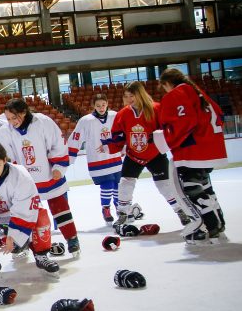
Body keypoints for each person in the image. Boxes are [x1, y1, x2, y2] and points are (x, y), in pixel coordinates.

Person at [102, 81, 200, 237]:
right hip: (133, 155)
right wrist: (111, 145)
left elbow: (169, 129)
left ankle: (181, 211)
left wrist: (164, 140)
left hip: (155, 155)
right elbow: (118, 135)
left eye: (132, 96)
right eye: (126, 96)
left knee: (165, 186)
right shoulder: (123, 113)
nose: (129, 99)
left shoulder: (156, 108)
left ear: (140, 94)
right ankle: (123, 214)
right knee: (125, 184)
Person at [0, 98, 81, 257]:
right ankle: (22, 242)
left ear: (24, 112)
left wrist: (59, 166)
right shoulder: (5, 131)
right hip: (24, 181)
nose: (12, 122)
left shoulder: (43, 122)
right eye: (8, 118)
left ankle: (72, 238)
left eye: (14, 117)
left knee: (59, 207)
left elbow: (58, 144)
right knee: (24, 212)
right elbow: (5, 157)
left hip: (48, 174)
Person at [0, 142, 59, 279]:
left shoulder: (20, 174)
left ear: (4, 160)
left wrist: (14, 235)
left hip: (17, 211)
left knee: (41, 215)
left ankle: (41, 256)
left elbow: (25, 207)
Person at [155, 68, 228, 241]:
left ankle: (210, 226)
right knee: (205, 187)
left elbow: (184, 122)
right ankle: (219, 223)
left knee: (191, 189)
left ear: (167, 83)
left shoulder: (177, 94)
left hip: (192, 150)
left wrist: (167, 138)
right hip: (210, 147)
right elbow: (220, 115)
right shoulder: (197, 91)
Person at [67, 93, 123, 223]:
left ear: (107, 104)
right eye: (98, 105)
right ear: (93, 106)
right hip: (97, 160)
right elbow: (76, 138)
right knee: (107, 184)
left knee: (117, 185)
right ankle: (106, 208)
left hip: (114, 157)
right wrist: (70, 156)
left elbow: (122, 133)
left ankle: (120, 208)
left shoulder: (115, 116)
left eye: (103, 104)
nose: (101, 107)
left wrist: (123, 147)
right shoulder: (86, 121)